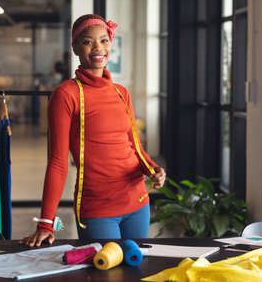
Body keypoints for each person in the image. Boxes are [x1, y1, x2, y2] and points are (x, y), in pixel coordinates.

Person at [21, 14, 166, 246]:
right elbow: (58, 162)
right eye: (88, 41)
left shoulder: (121, 92)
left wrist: (153, 169)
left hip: (137, 201)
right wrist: (46, 223)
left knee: (135, 270)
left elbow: (134, 146)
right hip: (98, 208)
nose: (98, 47)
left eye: (104, 40)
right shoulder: (66, 94)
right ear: (76, 47)